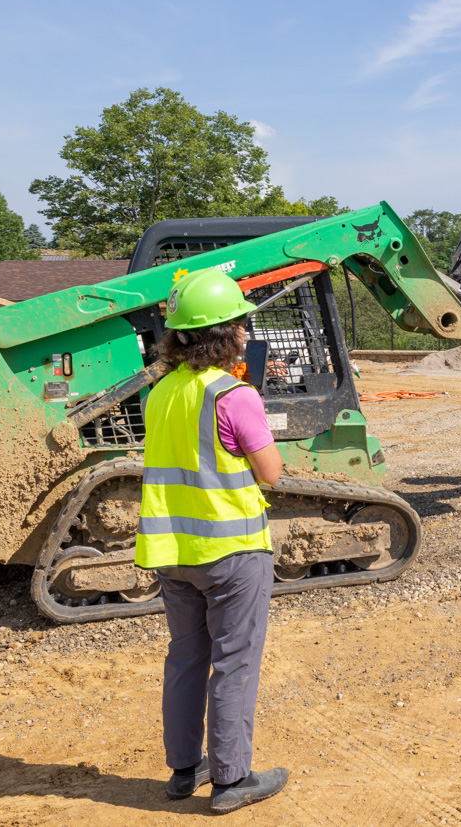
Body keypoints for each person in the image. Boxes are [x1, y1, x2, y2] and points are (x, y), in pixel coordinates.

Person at [136, 267, 289, 814]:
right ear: (228, 334)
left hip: (174, 554)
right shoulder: (234, 395)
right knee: (235, 663)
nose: (245, 334)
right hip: (231, 554)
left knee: (185, 659)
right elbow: (270, 472)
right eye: (240, 326)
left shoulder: (159, 394)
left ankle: (185, 770)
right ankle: (231, 780)